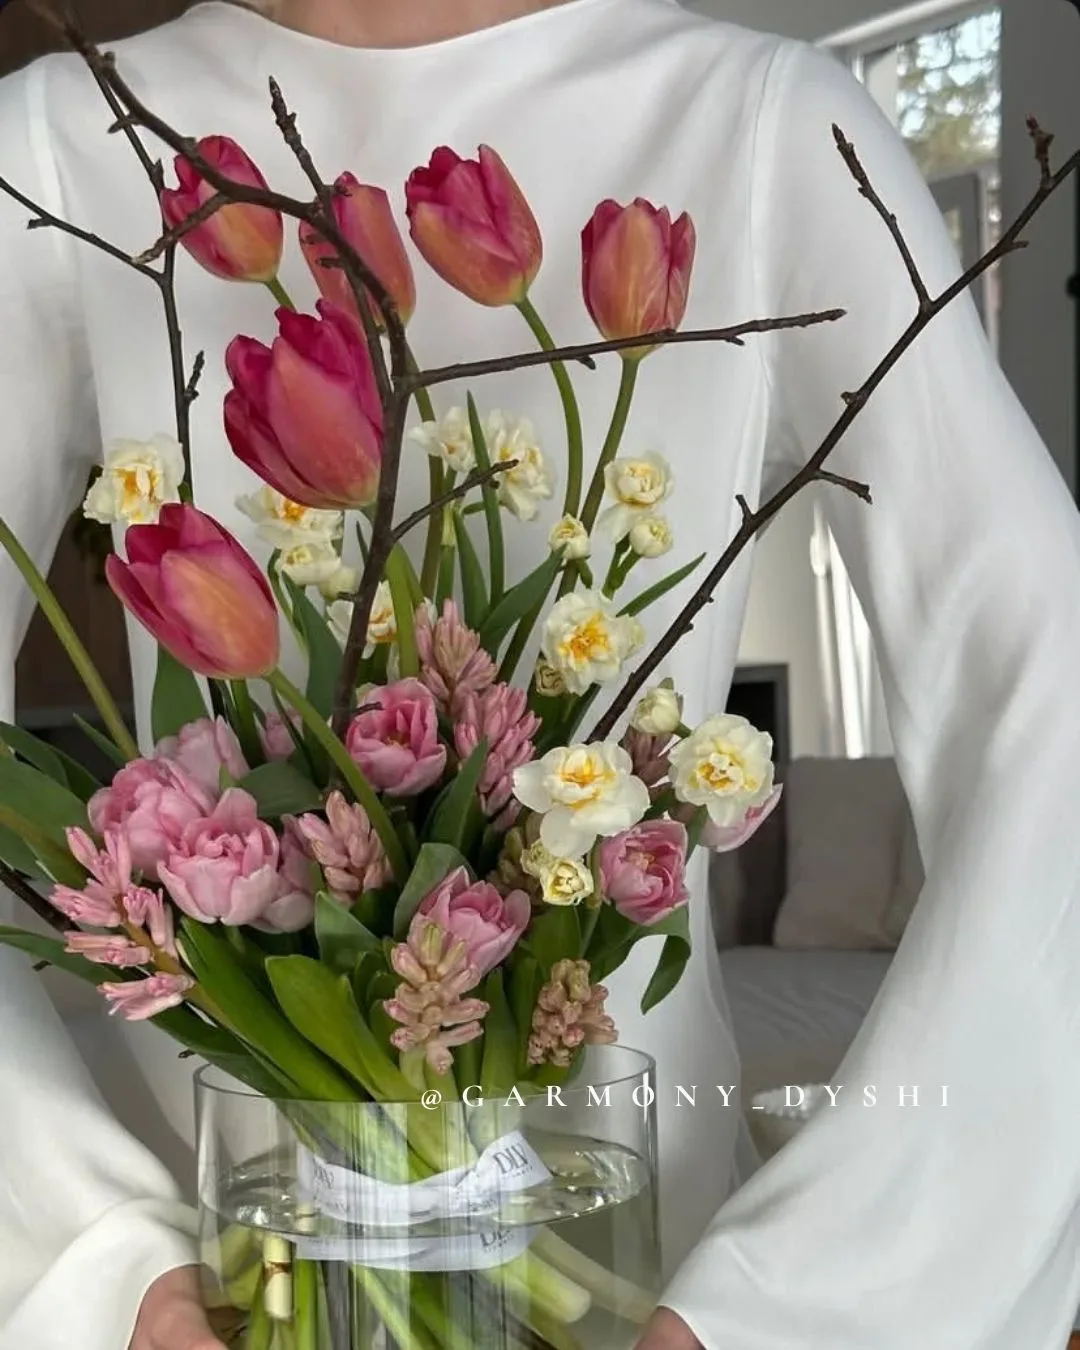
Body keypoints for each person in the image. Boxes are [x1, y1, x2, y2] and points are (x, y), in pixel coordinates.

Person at [3, 0, 1080, 1347]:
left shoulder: (756, 126)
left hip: (646, 1280)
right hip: (211, 1282)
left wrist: (806, 1299)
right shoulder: (61, 146)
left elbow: (1047, 696)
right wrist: (87, 1260)